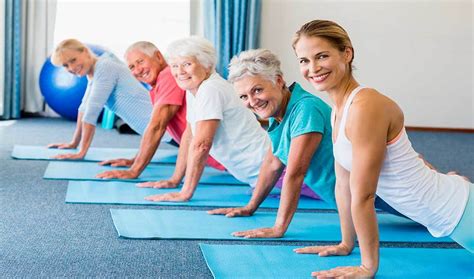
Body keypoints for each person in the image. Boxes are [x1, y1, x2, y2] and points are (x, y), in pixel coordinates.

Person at [291, 19, 473, 278]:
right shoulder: (337, 111)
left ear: (347, 53)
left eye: (322, 56)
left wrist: (368, 267)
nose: (313, 68)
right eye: (304, 60)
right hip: (447, 213)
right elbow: (343, 186)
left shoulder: (366, 106)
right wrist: (346, 243)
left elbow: (364, 196)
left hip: (460, 211)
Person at [207, 49, 335, 238]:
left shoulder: (305, 108)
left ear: (279, 80)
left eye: (257, 90)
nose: (252, 102)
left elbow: (295, 172)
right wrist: (250, 207)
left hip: (382, 194)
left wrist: (278, 228)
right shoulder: (279, 113)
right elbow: (273, 164)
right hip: (350, 199)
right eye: (243, 97)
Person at [141, 36, 270, 202]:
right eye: (175, 66)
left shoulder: (211, 89)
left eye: (187, 64)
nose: (180, 72)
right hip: (261, 175)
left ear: (207, 65)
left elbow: (202, 144)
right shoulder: (194, 88)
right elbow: (189, 136)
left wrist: (185, 192)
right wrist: (175, 180)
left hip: (273, 170)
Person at [96, 41, 224, 181]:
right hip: (224, 161)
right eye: (132, 66)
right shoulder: (159, 84)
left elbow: (157, 127)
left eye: (140, 62)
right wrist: (136, 159)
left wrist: (134, 171)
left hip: (230, 160)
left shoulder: (168, 75)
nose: (137, 70)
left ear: (158, 56)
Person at [48, 39, 152, 160]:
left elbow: (92, 111)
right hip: (155, 131)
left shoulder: (105, 67)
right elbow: (84, 107)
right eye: (65, 65)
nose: (71, 67)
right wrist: (74, 143)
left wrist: (81, 153)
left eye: (73, 60)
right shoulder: (95, 69)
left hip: (168, 129)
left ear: (85, 52)